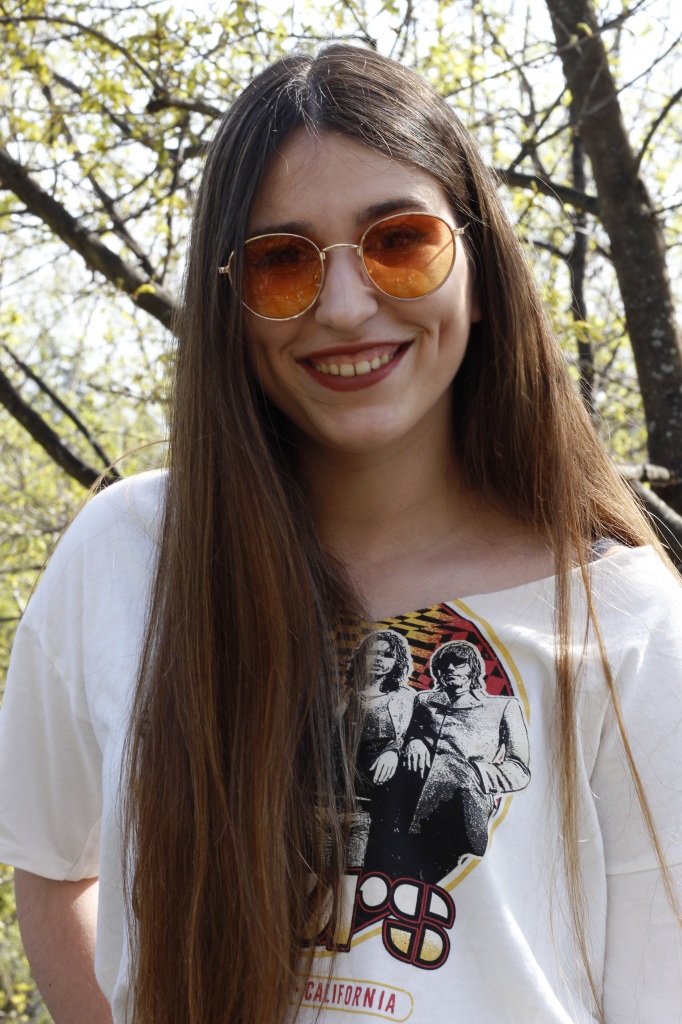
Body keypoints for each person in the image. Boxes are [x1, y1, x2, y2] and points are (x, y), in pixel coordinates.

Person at [0, 41, 680, 1024]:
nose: (348, 306)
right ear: (230, 302)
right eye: (282, 262)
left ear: (478, 269)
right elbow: (52, 863)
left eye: (400, 241)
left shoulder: (626, 617)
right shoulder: (126, 554)